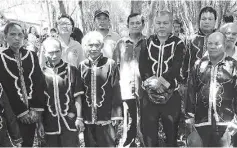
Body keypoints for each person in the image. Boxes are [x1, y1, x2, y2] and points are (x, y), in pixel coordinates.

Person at [186, 32, 237, 147]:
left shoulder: (232, 65)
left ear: (224, 45)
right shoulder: (199, 65)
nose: (213, 47)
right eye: (210, 43)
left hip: (226, 122)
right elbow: (190, 91)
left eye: (217, 44)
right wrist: (189, 116)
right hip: (201, 120)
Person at [0, 22, 46, 147]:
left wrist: (36, 110)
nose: (17, 38)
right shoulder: (0, 59)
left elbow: (39, 83)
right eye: (12, 34)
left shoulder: (32, 56)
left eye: (20, 35)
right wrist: (21, 112)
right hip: (13, 113)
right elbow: (6, 89)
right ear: (5, 37)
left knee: (30, 143)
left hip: (33, 113)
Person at [138, 10, 186, 147]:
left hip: (171, 95)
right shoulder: (146, 43)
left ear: (172, 25)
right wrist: (152, 84)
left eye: (165, 23)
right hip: (148, 94)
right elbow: (143, 66)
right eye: (158, 23)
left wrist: (162, 84)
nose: (162, 26)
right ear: (154, 24)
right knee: (149, 136)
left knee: (171, 135)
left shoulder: (178, 43)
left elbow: (176, 67)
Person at [77, 31, 123, 147]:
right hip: (88, 117)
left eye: (97, 45)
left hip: (106, 116)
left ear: (102, 46)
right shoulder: (82, 66)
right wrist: (80, 116)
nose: (93, 48)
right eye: (90, 45)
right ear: (86, 46)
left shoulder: (110, 64)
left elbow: (116, 89)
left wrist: (116, 114)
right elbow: (79, 93)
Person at [39, 38, 84, 147]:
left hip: (70, 121)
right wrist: (39, 123)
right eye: (50, 52)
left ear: (62, 51)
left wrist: (79, 118)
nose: (54, 56)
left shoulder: (71, 70)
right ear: (44, 53)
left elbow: (78, 96)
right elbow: (40, 102)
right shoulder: (41, 74)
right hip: (49, 124)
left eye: (57, 51)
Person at [112, 13, 146, 147]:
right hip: (126, 88)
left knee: (145, 120)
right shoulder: (121, 44)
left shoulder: (148, 42)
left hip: (144, 89)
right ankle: (128, 144)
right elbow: (115, 66)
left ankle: (144, 143)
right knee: (129, 120)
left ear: (143, 25)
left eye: (138, 23)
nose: (135, 25)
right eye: (132, 23)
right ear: (127, 25)